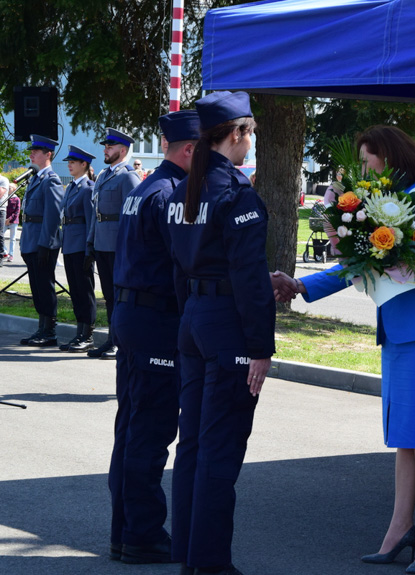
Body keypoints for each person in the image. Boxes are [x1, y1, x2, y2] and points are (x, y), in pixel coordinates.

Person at [274, 125, 415, 573]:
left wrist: (399, 258)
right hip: (399, 335)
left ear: (389, 158)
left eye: (367, 160)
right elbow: (354, 264)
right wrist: (302, 283)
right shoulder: (377, 209)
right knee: (404, 438)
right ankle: (399, 529)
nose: (362, 169)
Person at [167, 91, 274, 575]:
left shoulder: (184, 189)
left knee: (192, 444)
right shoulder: (236, 193)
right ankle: (209, 564)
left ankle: (188, 554)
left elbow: (179, 268)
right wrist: (261, 347)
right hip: (227, 326)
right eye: (249, 133)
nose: (251, 142)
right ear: (236, 135)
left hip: (193, 317)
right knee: (219, 449)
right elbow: (250, 279)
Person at [108, 110, 200, 565]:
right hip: (155, 320)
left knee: (130, 426)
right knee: (151, 428)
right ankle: (142, 534)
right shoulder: (170, 194)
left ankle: (124, 531)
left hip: (131, 313)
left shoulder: (145, 187)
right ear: (188, 150)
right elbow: (183, 265)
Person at [87, 127, 141, 359]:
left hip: (119, 246)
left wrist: (129, 246)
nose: (105, 150)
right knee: (109, 296)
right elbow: (96, 212)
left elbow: (134, 215)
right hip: (102, 244)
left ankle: (120, 341)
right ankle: (111, 339)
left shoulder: (128, 176)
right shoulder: (104, 175)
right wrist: (91, 241)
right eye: (105, 146)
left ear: (122, 149)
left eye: (110, 146)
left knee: (121, 296)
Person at [19, 135, 65, 347]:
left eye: (36, 151)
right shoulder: (35, 178)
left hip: (42, 242)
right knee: (36, 288)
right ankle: (41, 328)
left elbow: (53, 215)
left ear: (48, 154)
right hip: (31, 240)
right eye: (32, 150)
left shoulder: (52, 180)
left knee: (44, 287)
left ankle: (49, 332)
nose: (31, 153)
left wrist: (45, 244)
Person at [58, 145, 98, 352]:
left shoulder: (88, 188)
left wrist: (89, 248)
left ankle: (88, 334)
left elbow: (91, 220)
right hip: (70, 245)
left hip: (81, 245)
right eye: (68, 162)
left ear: (84, 164)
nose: (69, 165)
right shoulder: (72, 187)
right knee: (75, 290)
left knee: (85, 290)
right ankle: (79, 332)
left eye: (73, 162)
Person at [4, 184, 20, 261]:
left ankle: (11, 255)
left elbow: (17, 212)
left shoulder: (16, 199)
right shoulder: (5, 197)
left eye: (10, 187)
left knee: (12, 239)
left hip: (13, 221)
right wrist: (5, 219)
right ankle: (5, 252)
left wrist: (9, 219)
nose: (8, 188)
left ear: (14, 189)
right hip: (4, 221)